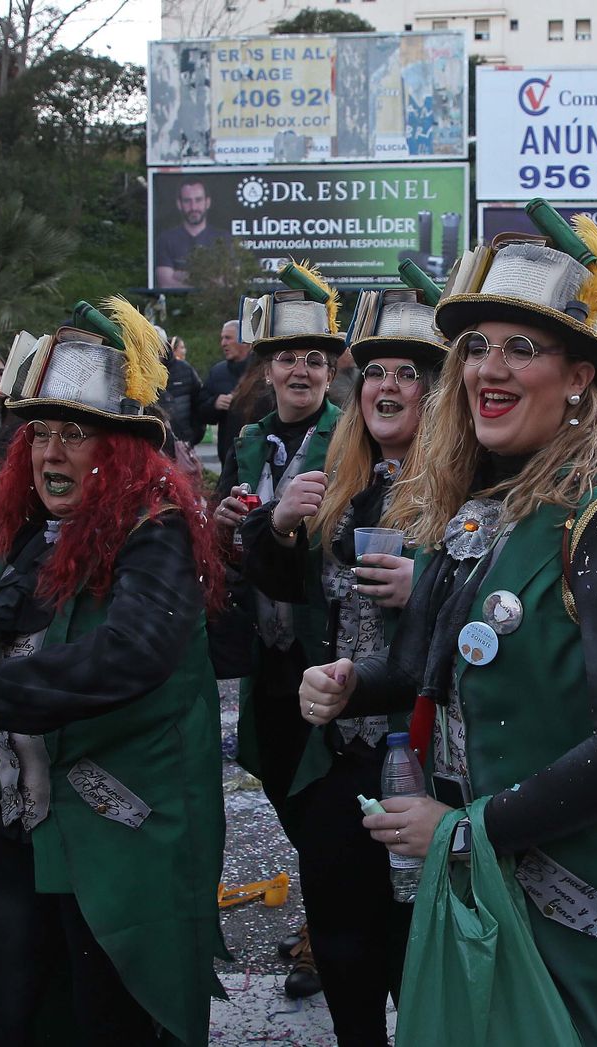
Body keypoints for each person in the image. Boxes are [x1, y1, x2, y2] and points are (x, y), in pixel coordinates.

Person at [301, 215, 597, 1046]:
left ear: (579, 379)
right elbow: (428, 664)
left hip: (596, 912)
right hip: (492, 889)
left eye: (522, 349)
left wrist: (463, 829)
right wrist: (357, 683)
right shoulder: (479, 507)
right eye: (478, 345)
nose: (489, 367)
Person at [0, 297, 225, 1047]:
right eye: (39, 432)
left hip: (120, 838)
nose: (50, 453)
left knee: (110, 1019)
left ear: (121, 447)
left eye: (74, 434)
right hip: (28, 826)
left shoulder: (158, 530)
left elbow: (132, 652)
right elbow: (13, 607)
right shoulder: (35, 526)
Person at [236, 279, 442, 1045]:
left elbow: (501, 604)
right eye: (377, 372)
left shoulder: (469, 488)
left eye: (408, 373)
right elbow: (287, 588)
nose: (388, 385)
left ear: (435, 393)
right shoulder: (342, 485)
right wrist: (279, 525)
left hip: (428, 759)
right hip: (337, 758)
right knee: (343, 937)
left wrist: (426, 584)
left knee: (417, 943)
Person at [211, 263, 344, 1000]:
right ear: (268, 365)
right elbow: (240, 538)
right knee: (284, 788)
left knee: (326, 799)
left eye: (315, 360)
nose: (301, 369)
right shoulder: (253, 434)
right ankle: (322, 916)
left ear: (330, 372)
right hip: (267, 650)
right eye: (289, 357)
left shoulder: (352, 433)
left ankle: (324, 934)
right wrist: (230, 523)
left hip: (327, 649)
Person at [198, 319, 256, 466]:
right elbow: (200, 412)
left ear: (245, 341)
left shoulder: (263, 371)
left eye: (228, 338)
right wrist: (214, 404)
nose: (223, 343)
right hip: (228, 459)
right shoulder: (217, 372)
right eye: (222, 338)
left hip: (260, 455)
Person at [154, 179, 218, 288]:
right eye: (187, 201)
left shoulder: (224, 239)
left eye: (198, 200)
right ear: (179, 204)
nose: (193, 207)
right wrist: (209, 279)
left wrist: (179, 275)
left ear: (207, 202)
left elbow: (230, 281)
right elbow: (165, 283)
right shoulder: (165, 239)